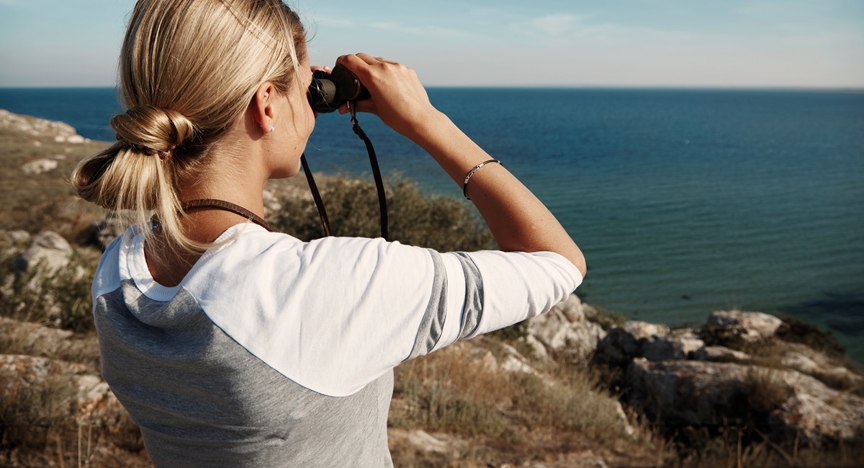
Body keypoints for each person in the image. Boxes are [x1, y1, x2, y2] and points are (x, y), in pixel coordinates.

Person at [72, 0, 586, 466]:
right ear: (266, 105)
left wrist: (291, 77)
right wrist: (426, 121)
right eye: (303, 85)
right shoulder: (320, 288)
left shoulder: (119, 275)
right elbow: (558, 263)